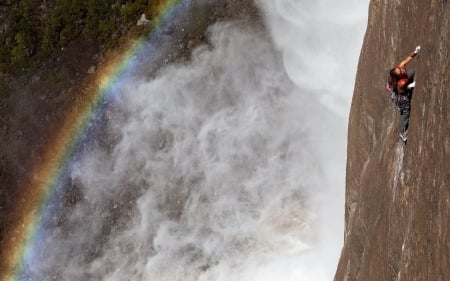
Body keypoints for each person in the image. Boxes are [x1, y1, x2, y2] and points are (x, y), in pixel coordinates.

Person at [385, 45, 421, 142]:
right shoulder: (401, 83)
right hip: (400, 95)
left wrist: (415, 52)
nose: (401, 69)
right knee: (405, 109)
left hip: (401, 85)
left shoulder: (400, 67)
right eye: (400, 71)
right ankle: (401, 132)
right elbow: (404, 90)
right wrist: (412, 86)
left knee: (412, 72)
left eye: (400, 69)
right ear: (398, 76)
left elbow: (406, 60)